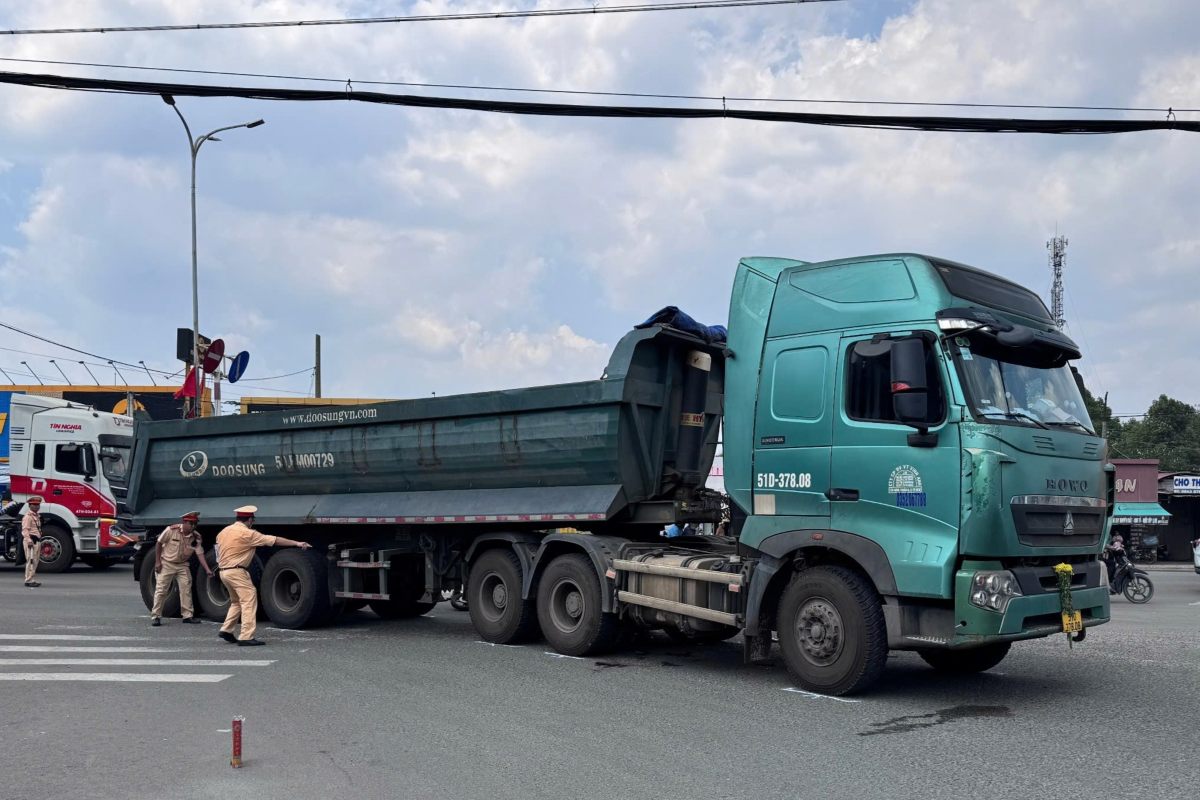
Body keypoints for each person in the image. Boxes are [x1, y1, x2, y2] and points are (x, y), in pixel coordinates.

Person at [215, 505, 311, 646]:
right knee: (249, 599)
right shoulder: (247, 534)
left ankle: (226, 629)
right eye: (252, 520)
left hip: (223, 571)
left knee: (236, 602)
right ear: (249, 520)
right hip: (237, 571)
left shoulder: (223, 532)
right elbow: (274, 540)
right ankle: (246, 636)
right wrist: (297, 543)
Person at [151, 511, 212, 627]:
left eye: (195, 524)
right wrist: (158, 562)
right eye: (191, 523)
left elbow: (200, 553)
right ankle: (156, 616)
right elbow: (159, 544)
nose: (193, 526)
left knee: (186, 588)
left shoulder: (196, 537)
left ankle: (187, 616)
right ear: (184, 522)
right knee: (161, 590)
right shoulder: (171, 530)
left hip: (182, 565)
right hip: (167, 563)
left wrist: (207, 569)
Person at [21, 495, 43, 587]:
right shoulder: (28, 517)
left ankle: (31, 578)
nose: (36, 506)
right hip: (31, 541)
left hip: (36, 540)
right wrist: (29, 540)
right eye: (34, 504)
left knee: (35, 561)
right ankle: (28, 580)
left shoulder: (37, 516)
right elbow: (25, 530)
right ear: (29, 505)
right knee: (30, 561)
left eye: (38, 505)